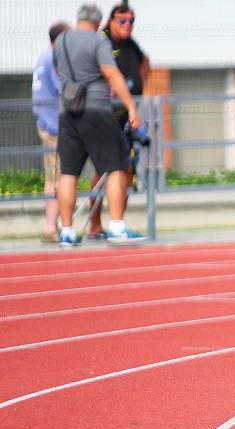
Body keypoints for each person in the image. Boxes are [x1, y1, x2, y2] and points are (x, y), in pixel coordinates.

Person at [53, 3, 144, 247]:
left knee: (68, 172)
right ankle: (116, 225)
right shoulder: (98, 42)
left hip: (67, 111)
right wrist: (132, 107)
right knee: (117, 165)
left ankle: (68, 231)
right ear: (98, 22)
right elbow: (111, 73)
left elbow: (57, 69)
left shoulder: (61, 40)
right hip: (95, 109)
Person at [88, 2, 150, 239]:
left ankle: (118, 222)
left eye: (131, 21)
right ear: (110, 22)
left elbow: (145, 61)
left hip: (127, 120)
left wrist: (141, 83)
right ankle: (95, 225)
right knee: (103, 171)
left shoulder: (131, 44)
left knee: (126, 169)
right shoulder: (102, 42)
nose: (127, 25)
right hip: (105, 119)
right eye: (122, 21)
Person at [32, 21, 70, 244]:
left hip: (46, 122)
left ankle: (52, 226)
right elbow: (64, 89)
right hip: (53, 126)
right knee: (56, 178)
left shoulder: (42, 57)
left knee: (53, 176)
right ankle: (50, 228)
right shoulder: (53, 58)